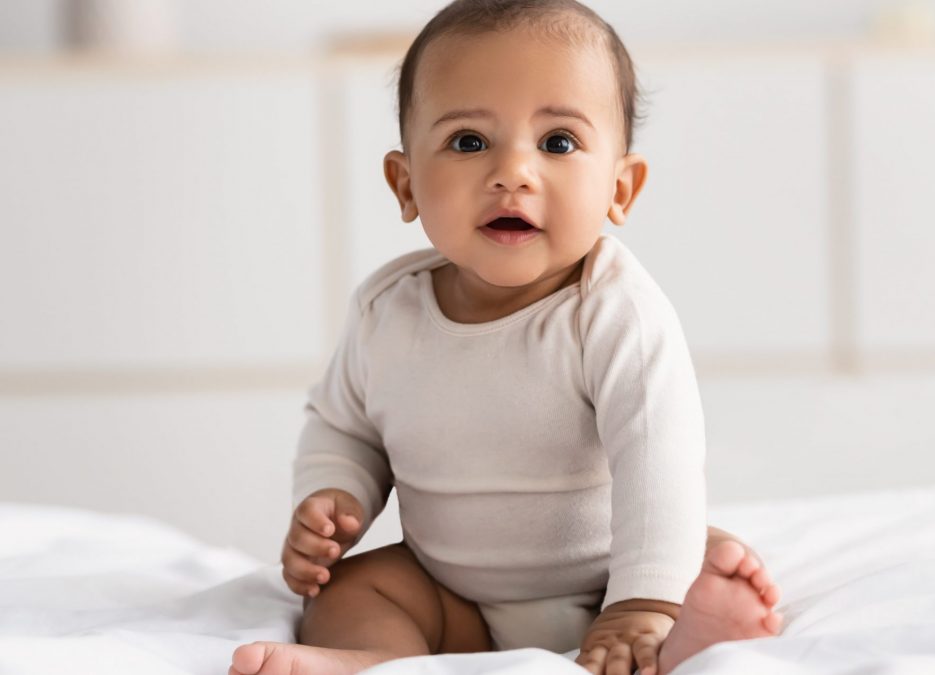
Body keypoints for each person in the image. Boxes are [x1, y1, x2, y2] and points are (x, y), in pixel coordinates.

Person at [228, 2, 782, 674]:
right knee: (351, 588)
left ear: (621, 188)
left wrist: (642, 600)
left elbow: (658, 461)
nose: (512, 172)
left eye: (557, 143)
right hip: (452, 593)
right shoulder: (386, 311)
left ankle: (675, 630)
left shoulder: (611, 311)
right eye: (468, 141)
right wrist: (335, 496)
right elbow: (343, 425)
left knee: (692, 552)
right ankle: (380, 658)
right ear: (405, 184)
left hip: (605, 574)